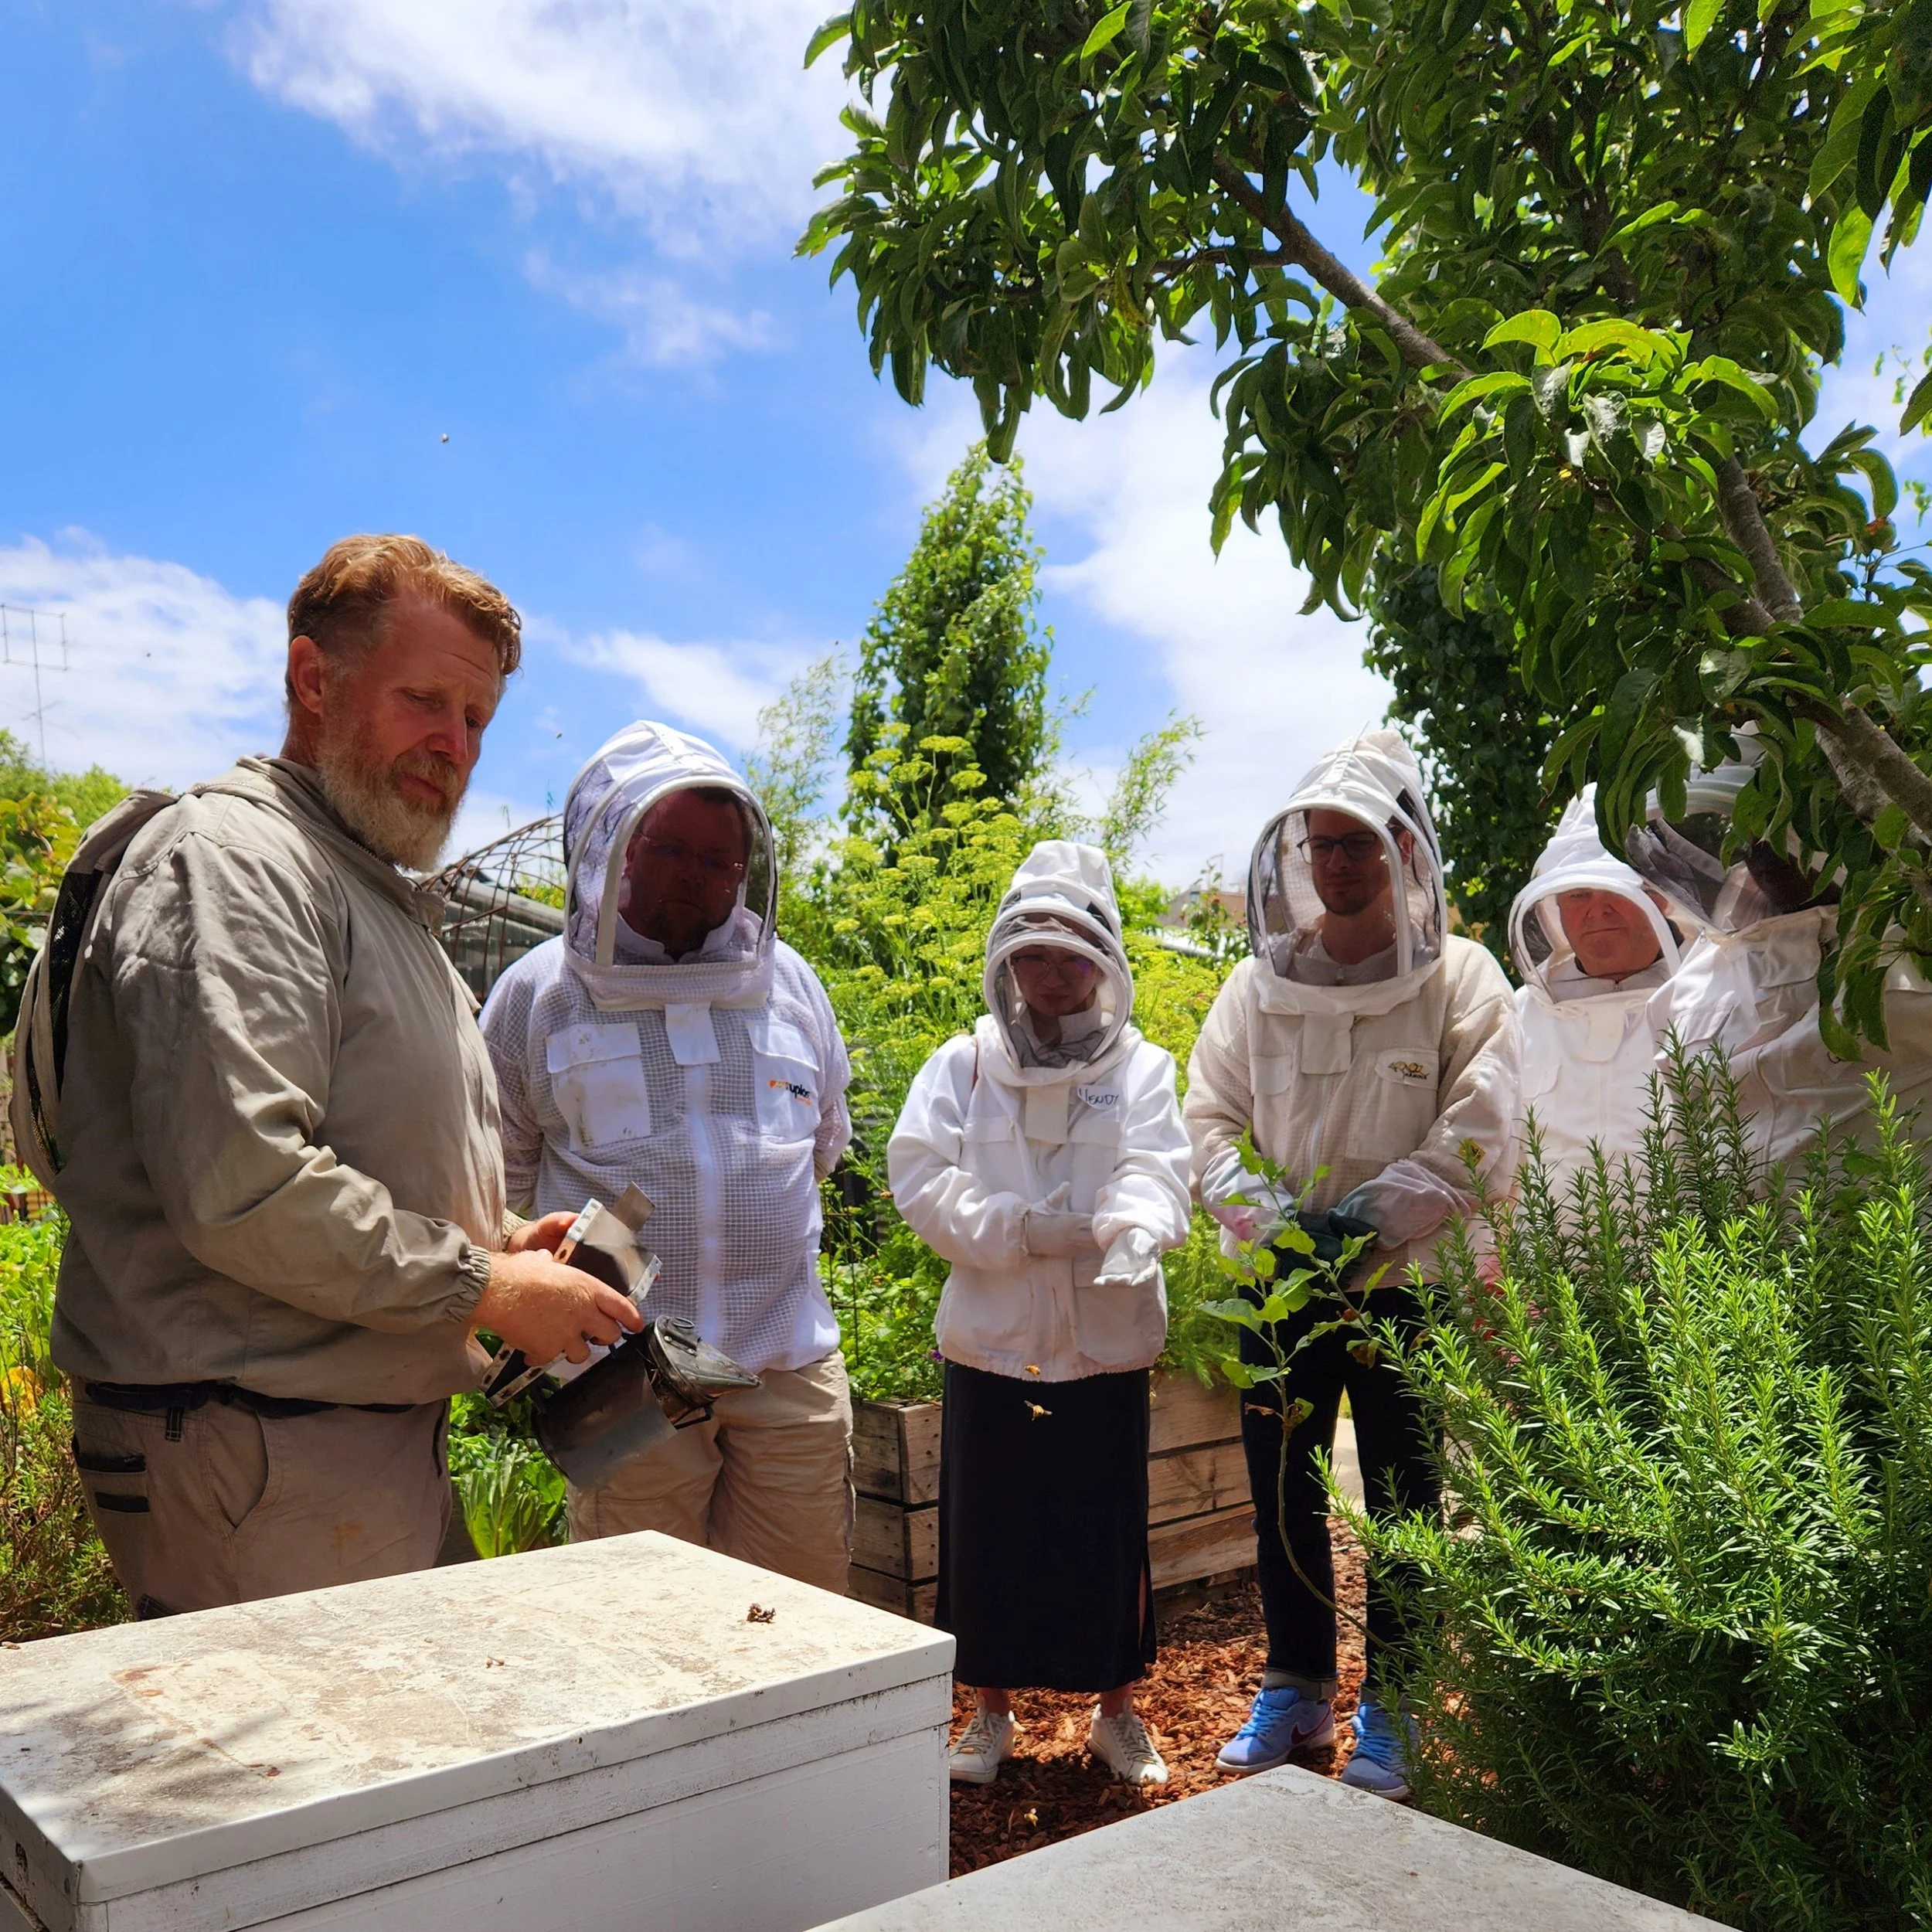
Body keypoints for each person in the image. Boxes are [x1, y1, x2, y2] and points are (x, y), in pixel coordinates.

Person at [39, 534, 638, 1617]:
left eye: (476, 720)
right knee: (293, 1733)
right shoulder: (238, 862)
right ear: (313, 679)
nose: (453, 744)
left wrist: (500, 1240)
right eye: (424, 701)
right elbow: (244, 1183)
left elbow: (358, 1147)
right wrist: (487, 1287)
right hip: (252, 1449)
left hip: (326, 1445)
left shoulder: (359, 880)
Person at [1184, 730, 1519, 1800]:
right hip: (1277, 1284)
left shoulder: (1462, 978)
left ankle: (1399, 1702)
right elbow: (1208, 1119)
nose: (1337, 864)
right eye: (1321, 845)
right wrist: (1273, 1223)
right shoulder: (1253, 987)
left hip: (1405, 1288)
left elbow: (1481, 1127)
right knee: (1281, 1493)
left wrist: (1369, 1221)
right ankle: (1297, 1684)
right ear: (1296, 857)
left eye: (1359, 844)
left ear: (1405, 851)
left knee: (1406, 1498)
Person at [480, 722, 855, 1592]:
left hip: (787, 1367)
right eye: (671, 849)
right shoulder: (539, 992)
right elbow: (494, 1177)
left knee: (802, 1622)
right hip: (626, 1377)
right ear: (613, 852)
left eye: (719, 859)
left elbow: (822, 1144)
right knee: (644, 1621)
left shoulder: (792, 984)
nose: (696, 874)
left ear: (746, 870)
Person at [889, 842, 1191, 1787]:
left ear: (1104, 964)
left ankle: (1116, 1715)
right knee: (987, 1534)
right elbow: (919, 1175)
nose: (1053, 977)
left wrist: (1136, 1225)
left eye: (1072, 958)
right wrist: (1020, 1231)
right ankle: (989, 1717)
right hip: (991, 1342)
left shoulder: (1143, 1068)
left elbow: (1157, 1165)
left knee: (1106, 1532)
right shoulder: (963, 1065)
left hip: (1104, 1344)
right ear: (1006, 961)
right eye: (1035, 957)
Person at [1628, 755, 1932, 1164]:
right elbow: (1683, 1139)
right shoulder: (1690, 982)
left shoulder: (1915, 934)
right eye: (1744, 825)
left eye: (1778, 822)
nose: (1759, 846)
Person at [1509, 785, 1692, 1191]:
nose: (1598, 909)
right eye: (1579, 894)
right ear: (1556, 907)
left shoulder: (1706, 997)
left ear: (1660, 897)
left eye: (1615, 888)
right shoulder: (1520, 1014)